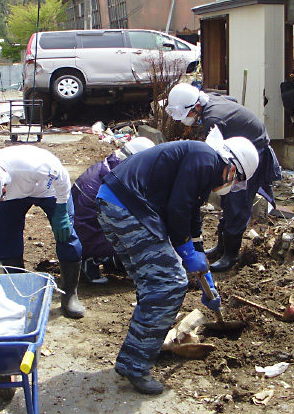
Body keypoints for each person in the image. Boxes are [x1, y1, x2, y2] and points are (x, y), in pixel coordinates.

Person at [95, 128, 259, 394]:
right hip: (128, 207)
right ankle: (136, 364)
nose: (230, 187)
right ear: (232, 168)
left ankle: (138, 353)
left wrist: (202, 267)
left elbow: (191, 217)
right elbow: (177, 209)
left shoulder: (202, 163)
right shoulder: (206, 159)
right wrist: (186, 254)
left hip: (112, 204)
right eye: (236, 181)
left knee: (152, 283)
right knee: (169, 283)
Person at [165, 82, 283, 272]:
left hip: (250, 154)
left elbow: (211, 154)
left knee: (237, 201)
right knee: (227, 198)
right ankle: (222, 246)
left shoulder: (213, 118)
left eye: (185, 115)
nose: (184, 120)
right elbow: (233, 101)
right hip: (239, 147)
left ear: (196, 106)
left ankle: (231, 254)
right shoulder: (208, 99)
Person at [0, 145, 86, 319]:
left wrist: (61, 209)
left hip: (49, 190)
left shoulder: (34, 165)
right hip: (15, 196)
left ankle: (70, 294)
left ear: (3, 189)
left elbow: (62, 176)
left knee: (66, 234)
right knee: (3, 234)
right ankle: (18, 294)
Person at [72, 136, 155, 284]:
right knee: (142, 232)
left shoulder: (113, 165)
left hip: (82, 221)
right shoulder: (120, 174)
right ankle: (93, 259)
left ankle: (111, 260)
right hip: (87, 228)